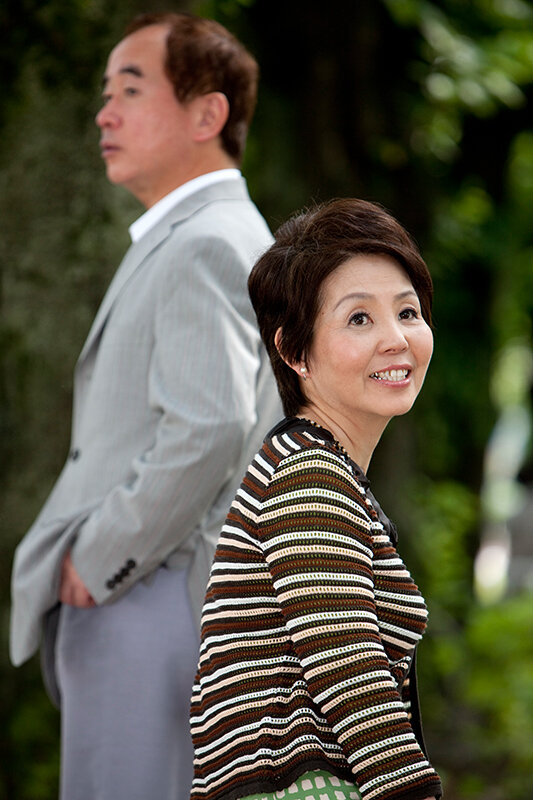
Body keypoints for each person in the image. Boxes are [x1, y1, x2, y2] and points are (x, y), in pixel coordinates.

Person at [10, 11, 279, 800]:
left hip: (151, 591)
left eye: (130, 89)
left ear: (207, 114)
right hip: (156, 592)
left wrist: (99, 560)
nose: (104, 114)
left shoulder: (205, 242)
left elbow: (212, 426)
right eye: (105, 93)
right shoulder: (209, 234)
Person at [190, 198, 443, 800]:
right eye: (359, 319)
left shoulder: (312, 466)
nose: (396, 339)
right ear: (294, 352)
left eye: (407, 311)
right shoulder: (307, 476)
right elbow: (349, 674)